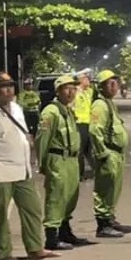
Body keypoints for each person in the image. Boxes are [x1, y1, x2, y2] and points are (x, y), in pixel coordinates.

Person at [0, 71, 57, 260]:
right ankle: (2, 253)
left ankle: (35, 247)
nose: (9, 90)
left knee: (32, 209)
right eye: (3, 87)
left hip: (22, 169)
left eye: (11, 86)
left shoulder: (16, 108)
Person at [37, 74, 89, 250]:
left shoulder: (67, 110)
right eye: (67, 88)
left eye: (74, 88)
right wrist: (43, 163)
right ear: (58, 91)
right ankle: (52, 237)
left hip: (71, 160)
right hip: (57, 158)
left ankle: (66, 232)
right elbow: (42, 139)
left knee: (70, 196)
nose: (71, 92)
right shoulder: (51, 112)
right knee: (56, 197)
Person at [89, 69, 127, 238]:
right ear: (101, 87)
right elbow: (94, 130)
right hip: (109, 152)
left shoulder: (109, 102)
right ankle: (103, 224)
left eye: (116, 83)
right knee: (105, 189)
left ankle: (109, 218)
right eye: (110, 83)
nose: (115, 86)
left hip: (117, 153)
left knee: (113, 189)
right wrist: (102, 152)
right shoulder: (100, 105)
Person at [72, 70, 94, 180]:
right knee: (80, 150)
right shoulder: (75, 92)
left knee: (90, 150)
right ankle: (79, 174)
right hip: (79, 124)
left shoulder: (89, 91)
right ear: (80, 80)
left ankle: (97, 171)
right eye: (86, 78)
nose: (88, 80)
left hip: (89, 123)